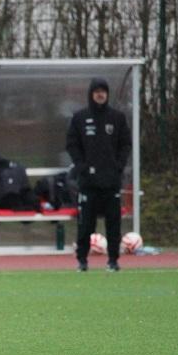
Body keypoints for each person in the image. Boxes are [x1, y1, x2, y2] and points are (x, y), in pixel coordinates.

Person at [66, 77, 131, 272]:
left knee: (113, 224)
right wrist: (81, 166)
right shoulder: (80, 118)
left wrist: (118, 166)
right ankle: (82, 261)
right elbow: (72, 144)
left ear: (107, 94)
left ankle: (113, 260)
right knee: (86, 224)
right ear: (91, 94)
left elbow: (125, 144)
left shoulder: (117, 118)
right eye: (97, 92)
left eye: (103, 91)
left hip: (111, 181)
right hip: (88, 182)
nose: (100, 95)